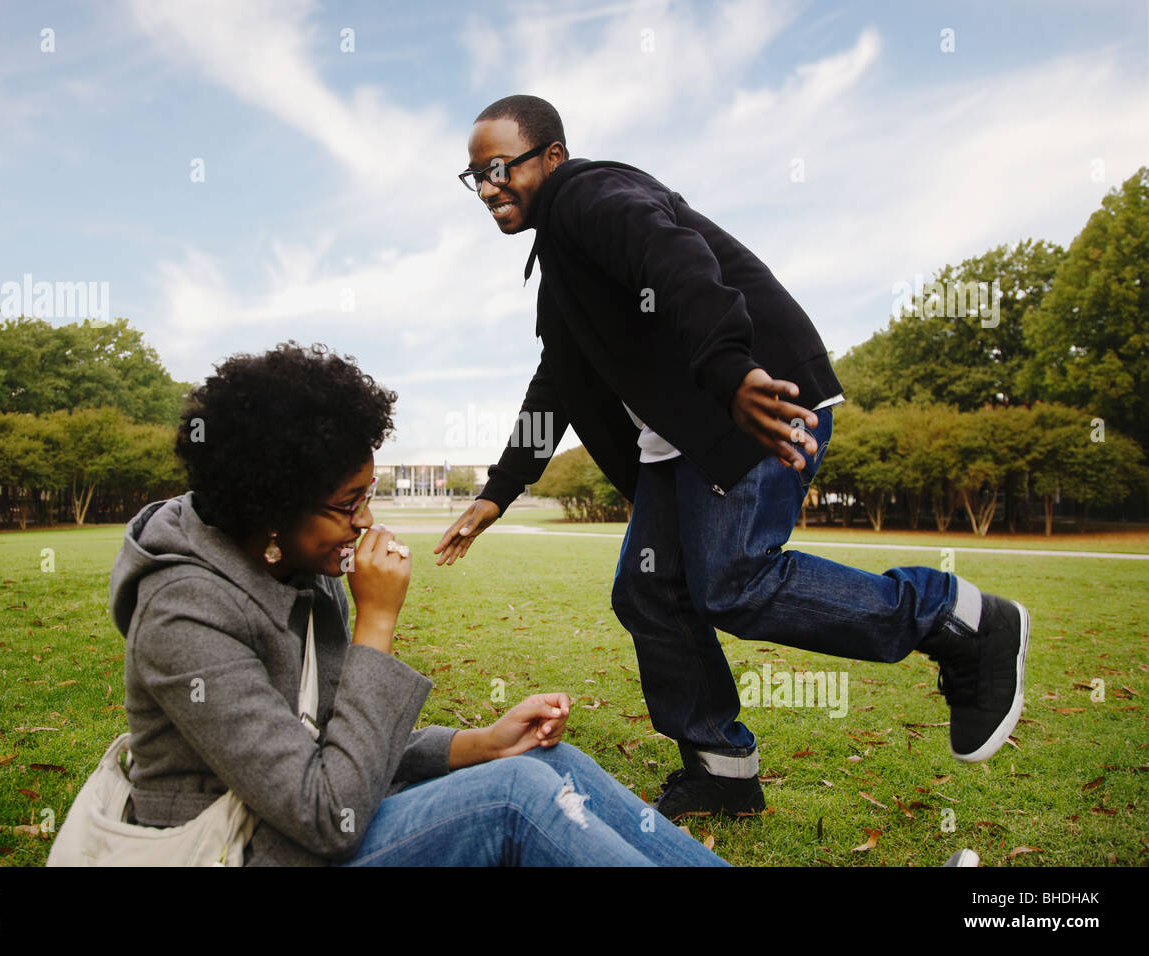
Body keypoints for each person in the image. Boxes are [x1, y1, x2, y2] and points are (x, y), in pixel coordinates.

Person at [434, 94, 1030, 821]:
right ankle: (722, 768)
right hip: (685, 437)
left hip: (756, 399)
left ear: (551, 156)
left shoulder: (590, 195)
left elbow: (674, 255)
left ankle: (958, 618)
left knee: (735, 581)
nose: (489, 186)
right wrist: (499, 491)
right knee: (650, 592)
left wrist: (729, 368)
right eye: (476, 176)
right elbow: (555, 384)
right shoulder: (560, 263)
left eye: (499, 167)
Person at [109, 341, 726, 866]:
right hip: (243, 851)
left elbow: (337, 739)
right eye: (348, 504)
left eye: (366, 494)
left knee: (550, 760)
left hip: (304, 826)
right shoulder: (182, 612)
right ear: (271, 509)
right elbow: (331, 812)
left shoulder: (301, 562)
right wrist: (376, 623)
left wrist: (480, 743)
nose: (366, 521)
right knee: (514, 798)